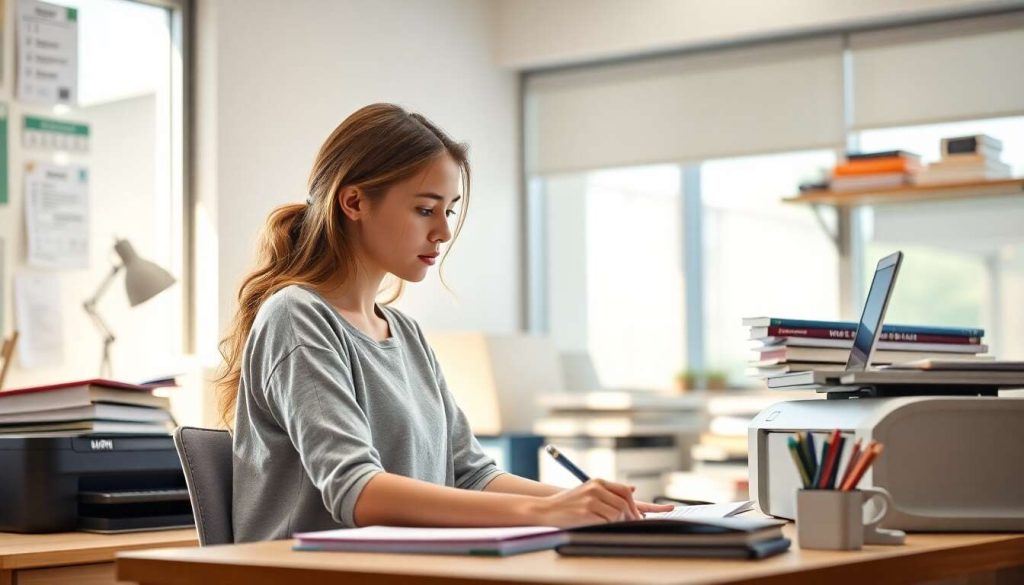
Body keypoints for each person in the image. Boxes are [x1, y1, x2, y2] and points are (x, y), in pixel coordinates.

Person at [217, 103, 673, 542]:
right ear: (354, 201)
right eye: (424, 209)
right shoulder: (297, 316)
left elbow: (471, 473)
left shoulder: (405, 333)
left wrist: (599, 507)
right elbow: (356, 490)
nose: (443, 231)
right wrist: (547, 512)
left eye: (448, 209)